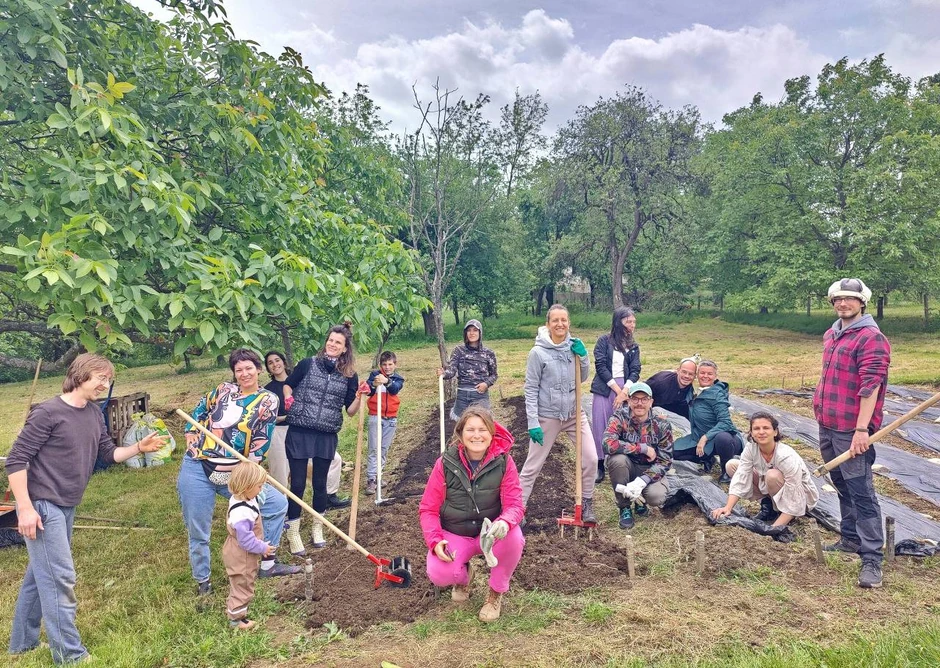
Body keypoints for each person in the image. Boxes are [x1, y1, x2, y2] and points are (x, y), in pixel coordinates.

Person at [6, 353, 169, 664]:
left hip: (67, 503)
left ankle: (22, 644)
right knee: (60, 578)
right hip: (43, 504)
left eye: (108, 379)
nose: (105, 384)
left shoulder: (94, 413)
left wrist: (137, 448)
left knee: (40, 574)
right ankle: (69, 654)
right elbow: (16, 460)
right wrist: (25, 509)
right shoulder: (47, 413)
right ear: (80, 376)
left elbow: (106, 453)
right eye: (100, 378)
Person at [179, 349, 299, 597]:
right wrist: (191, 430)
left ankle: (267, 562)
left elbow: (262, 439)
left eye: (249, 368)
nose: (244, 374)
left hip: (236, 473)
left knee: (276, 503)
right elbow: (200, 411)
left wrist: (252, 466)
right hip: (198, 466)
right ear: (234, 373)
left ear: (258, 369)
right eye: (239, 370)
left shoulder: (267, 401)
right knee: (198, 527)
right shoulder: (223, 391)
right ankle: (203, 581)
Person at [812, 278, 890, 589]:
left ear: (862, 303)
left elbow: (870, 386)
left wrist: (861, 430)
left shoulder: (871, 338)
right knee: (841, 482)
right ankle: (849, 538)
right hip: (827, 424)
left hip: (850, 428)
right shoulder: (832, 333)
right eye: (838, 299)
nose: (843, 304)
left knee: (862, 490)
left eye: (849, 299)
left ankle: (872, 558)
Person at [419, 406, 525, 623]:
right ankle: (463, 577)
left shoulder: (504, 462)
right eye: (470, 429)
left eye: (482, 429)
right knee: (439, 573)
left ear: (491, 433)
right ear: (460, 434)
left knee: (514, 538)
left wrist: (505, 521)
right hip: (456, 532)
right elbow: (428, 509)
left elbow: (515, 504)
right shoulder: (445, 464)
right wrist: (435, 541)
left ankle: (495, 594)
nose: (477, 435)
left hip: (491, 533)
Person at [282, 323, 366, 554]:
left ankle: (317, 527)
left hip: (326, 434)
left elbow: (350, 410)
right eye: (330, 340)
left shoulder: (349, 375)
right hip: (300, 430)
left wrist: (359, 397)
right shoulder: (308, 364)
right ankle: (293, 531)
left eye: (338, 342)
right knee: (297, 484)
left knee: (320, 484)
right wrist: (288, 398)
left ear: (345, 348)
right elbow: (288, 385)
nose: (332, 344)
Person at [519, 304, 598, 523]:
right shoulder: (538, 353)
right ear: (548, 324)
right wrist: (533, 421)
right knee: (532, 466)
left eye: (564, 320)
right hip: (548, 416)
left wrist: (583, 357)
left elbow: (581, 378)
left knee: (591, 459)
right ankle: (517, 509)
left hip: (574, 414)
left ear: (568, 323)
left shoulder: (573, 347)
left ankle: (587, 503)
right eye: (555, 320)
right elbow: (531, 388)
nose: (560, 324)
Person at [264, 351, 349, 510]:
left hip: (303, 430)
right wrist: (286, 416)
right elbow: (267, 417)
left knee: (334, 460)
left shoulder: (300, 378)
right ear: (268, 368)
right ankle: (281, 510)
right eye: (270, 363)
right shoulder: (268, 391)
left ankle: (329, 496)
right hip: (279, 433)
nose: (275, 364)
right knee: (281, 474)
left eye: (277, 360)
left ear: (283, 361)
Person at [712, 412, 819, 527]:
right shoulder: (751, 448)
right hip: (771, 487)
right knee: (732, 466)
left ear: (775, 432)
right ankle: (768, 505)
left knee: (772, 475)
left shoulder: (785, 456)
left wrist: (773, 529)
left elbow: (795, 494)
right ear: (751, 433)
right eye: (756, 428)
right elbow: (741, 475)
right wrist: (727, 508)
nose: (761, 432)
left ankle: (781, 512)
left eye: (766, 428)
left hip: (800, 496)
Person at [602, 382, 674, 530]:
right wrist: (642, 448)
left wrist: (643, 480)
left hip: (649, 470)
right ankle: (624, 507)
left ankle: (641, 502)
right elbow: (607, 444)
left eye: (644, 399)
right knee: (617, 460)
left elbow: (665, 461)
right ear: (628, 401)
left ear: (651, 402)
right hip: (627, 467)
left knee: (657, 496)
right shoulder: (619, 417)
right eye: (635, 399)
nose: (639, 403)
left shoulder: (661, 424)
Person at [590, 307, 641, 483]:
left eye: (634, 321)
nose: (632, 325)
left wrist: (626, 390)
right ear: (618, 322)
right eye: (628, 321)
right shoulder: (604, 341)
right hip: (606, 387)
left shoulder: (633, 346)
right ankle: (599, 463)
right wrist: (618, 391)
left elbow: (635, 369)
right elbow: (600, 365)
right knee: (600, 424)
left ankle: (620, 461)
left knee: (624, 424)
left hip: (625, 388)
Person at [223, 462, 275, 631]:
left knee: (241, 581)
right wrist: (262, 548)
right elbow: (245, 540)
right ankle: (237, 620)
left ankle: (235, 610)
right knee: (243, 583)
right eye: (260, 486)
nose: (261, 489)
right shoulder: (242, 513)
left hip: (240, 549)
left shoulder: (242, 497)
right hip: (242, 552)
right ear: (246, 487)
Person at [672, 360, 743, 483]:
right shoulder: (695, 392)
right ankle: (708, 459)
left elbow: (726, 422)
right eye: (702, 373)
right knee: (673, 452)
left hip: (726, 440)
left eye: (709, 374)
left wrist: (705, 437)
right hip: (700, 440)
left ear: (715, 376)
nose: (705, 376)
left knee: (723, 438)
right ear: (697, 375)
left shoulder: (717, 395)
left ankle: (727, 472)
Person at [439, 319, 498, 420]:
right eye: (469, 330)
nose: (472, 333)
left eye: (475, 330)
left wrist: (486, 384)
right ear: (465, 333)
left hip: (480, 395)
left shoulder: (488, 353)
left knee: (482, 423)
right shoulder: (458, 351)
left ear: (480, 333)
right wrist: (444, 373)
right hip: (462, 395)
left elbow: (494, 375)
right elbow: (452, 370)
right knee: (461, 426)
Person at [365, 351, 405, 496]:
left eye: (390, 364)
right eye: (384, 365)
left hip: (391, 418)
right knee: (374, 448)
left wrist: (387, 381)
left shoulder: (398, 378)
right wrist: (374, 384)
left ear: (395, 364)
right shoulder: (374, 375)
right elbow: (368, 391)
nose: (387, 367)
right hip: (376, 416)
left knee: (383, 448)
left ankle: (379, 475)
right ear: (380, 365)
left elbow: (394, 389)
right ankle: (371, 479)